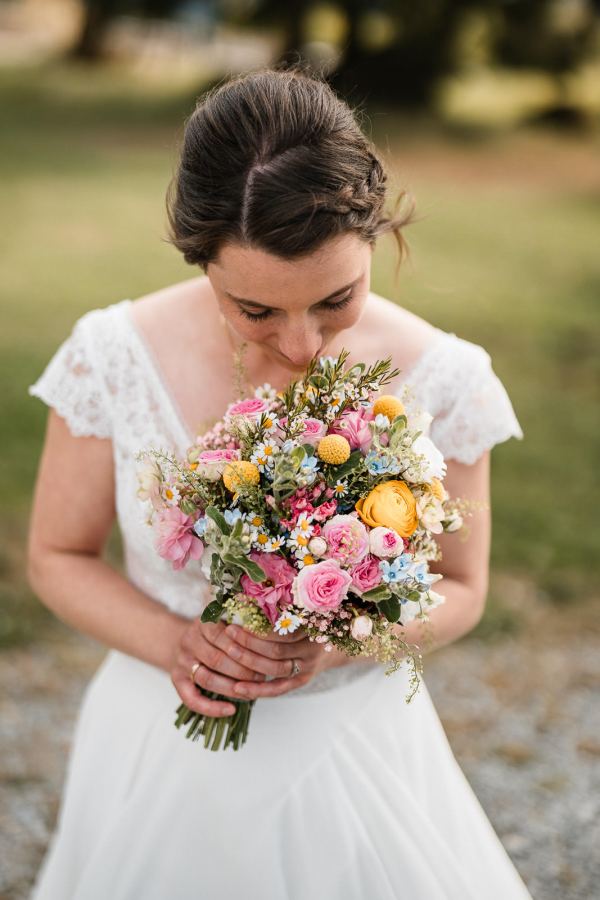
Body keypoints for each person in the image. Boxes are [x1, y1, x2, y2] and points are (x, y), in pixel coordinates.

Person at [26, 66, 530, 899]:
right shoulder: (112, 356)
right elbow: (56, 554)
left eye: (337, 298)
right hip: (159, 737)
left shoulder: (448, 377)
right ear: (200, 257)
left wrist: (341, 642)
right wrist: (178, 645)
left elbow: (464, 586)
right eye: (254, 310)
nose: (300, 345)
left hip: (354, 743)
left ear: (376, 235)